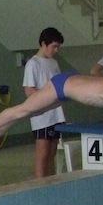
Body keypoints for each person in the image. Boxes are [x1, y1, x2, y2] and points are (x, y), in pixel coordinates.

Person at [24, 27, 65, 178]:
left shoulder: (54, 63)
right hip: (41, 116)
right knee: (43, 154)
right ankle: (40, 184)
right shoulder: (33, 64)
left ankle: (51, 182)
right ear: (43, 44)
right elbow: (29, 90)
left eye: (58, 47)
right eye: (54, 46)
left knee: (52, 153)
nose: (56, 50)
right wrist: (47, 98)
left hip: (56, 114)